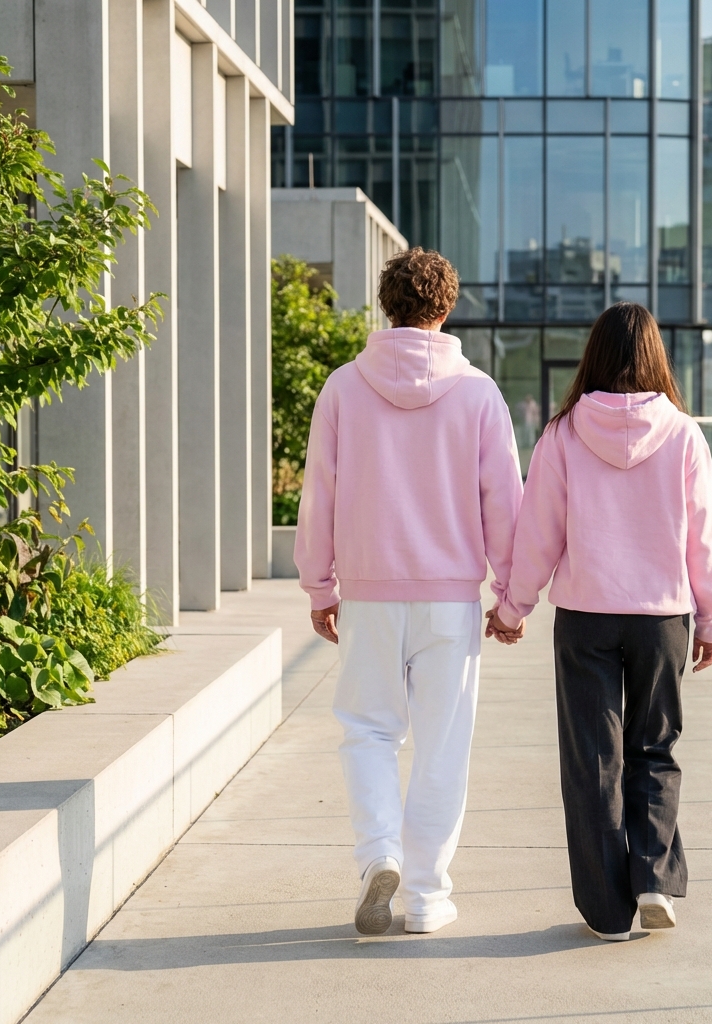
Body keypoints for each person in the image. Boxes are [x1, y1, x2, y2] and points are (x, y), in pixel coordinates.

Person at [295, 247, 524, 936]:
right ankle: (425, 898)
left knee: (367, 730)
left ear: (385, 306)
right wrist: (511, 597)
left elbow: (319, 493)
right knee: (441, 745)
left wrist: (320, 586)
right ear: (446, 309)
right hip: (449, 600)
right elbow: (504, 501)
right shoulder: (479, 392)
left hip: (368, 593)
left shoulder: (343, 387)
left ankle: (380, 856)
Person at [487, 302, 712, 942]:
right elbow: (704, 536)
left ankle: (607, 912)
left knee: (593, 759)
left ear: (593, 354)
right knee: (655, 748)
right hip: (663, 617)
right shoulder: (683, 434)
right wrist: (709, 618)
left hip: (586, 617)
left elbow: (538, 534)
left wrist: (512, 608)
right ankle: (653, 880)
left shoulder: (562, 434)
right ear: (655, 357)